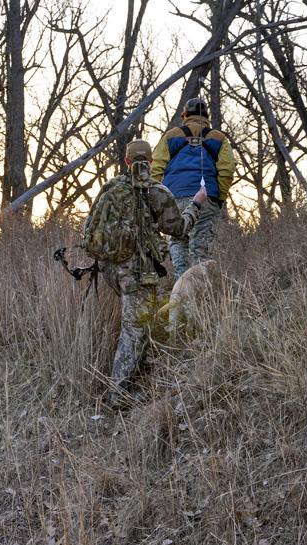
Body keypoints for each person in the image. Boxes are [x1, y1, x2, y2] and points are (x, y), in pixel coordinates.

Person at [97, 139, 207, 405]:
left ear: (125, 161)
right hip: (137, 274)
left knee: (143, 322)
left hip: (111, 269)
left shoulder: (109, 189)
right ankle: (116, 396)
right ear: (152, 162)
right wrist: (196, 203)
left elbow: (94, 230)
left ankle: (141, 375)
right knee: (134, 328)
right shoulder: (157, 191)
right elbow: (180, 229)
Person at [151, 97, 237, 279]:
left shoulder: (171, 136)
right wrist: (219, 198)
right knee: (200, 253)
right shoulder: (219, 138)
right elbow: (227, 170)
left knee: (177, 241)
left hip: (173, 201)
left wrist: (155, 200)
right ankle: (201, 298)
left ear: (185, 115)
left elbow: (156, 168)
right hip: (205, 199)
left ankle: (180, 292)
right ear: (207, 116)